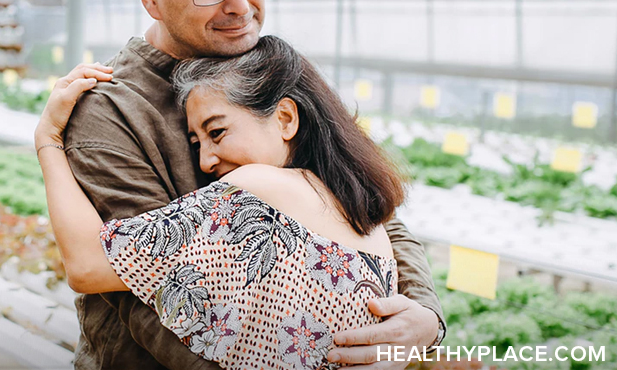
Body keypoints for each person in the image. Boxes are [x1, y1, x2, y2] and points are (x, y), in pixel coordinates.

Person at [59, 0, 445, 368]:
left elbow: (361, 199)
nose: (241, 6)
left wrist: (425, 319)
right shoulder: (110, 109)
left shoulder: (265, 65)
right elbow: (147, 300)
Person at [35, 35, 406, 369]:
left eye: (217, 132)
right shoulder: (370, 224)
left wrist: (48, 139)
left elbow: (87, 266)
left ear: (285, 118)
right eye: (197, 142)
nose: (205, 161)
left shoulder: (256, 188)